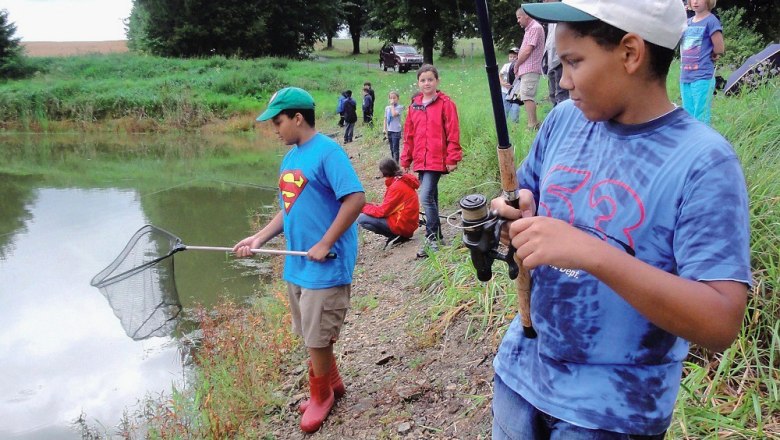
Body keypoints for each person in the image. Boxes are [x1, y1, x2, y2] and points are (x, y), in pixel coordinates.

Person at [489, 1, 750, 439]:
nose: (564, 80)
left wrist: (594, 254)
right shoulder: (564, 121)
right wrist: (512, 211)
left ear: (630, 52)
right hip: (520, 377)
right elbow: (524, 199)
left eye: (573, 62)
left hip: (612, 416)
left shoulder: (704, 162)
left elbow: (721, 320)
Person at [233, 87, 366, 433]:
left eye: (277, 122)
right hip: (298, 264)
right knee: (310, 332)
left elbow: (355, 199)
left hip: (326, 263)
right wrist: (259, 237)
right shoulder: (290, 159)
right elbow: (286, 209)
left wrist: (325, 242)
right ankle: (332, 383)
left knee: (317, 336)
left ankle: (321, 396)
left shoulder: (328, 153)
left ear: (297, 118)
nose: (275, 129)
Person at [400, 64, 462, 258]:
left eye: (430, 79)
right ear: (418, 83)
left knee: (425, 196)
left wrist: (453, 157)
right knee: (432, 196)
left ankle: (432, 237)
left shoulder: (445, 103)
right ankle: (439, 237)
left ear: (437, 81)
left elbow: (453, 132)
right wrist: (405, 159)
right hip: (420, 159)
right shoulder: (414, 106)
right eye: (423, 80)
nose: (426, 83)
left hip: (437, 159)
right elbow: (409, 134)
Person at [357, 158, 420, 249]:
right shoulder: (401, 180)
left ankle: (397, 235)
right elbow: (390, 207)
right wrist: (369, 206)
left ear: (384, 172)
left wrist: (362, 207)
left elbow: (383, 211)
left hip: (403, 226)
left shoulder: (396, 186)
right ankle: (397, 235)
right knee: (369, 211)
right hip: (408, 222)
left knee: (361, 218)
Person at [680, 0, 724, 125]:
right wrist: (680, 17)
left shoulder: (711, 20)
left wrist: (714, 52)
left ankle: (704, 144)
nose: (695, 2)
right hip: (685, 76)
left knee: (701, 117)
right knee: (687, 116)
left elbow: (720, 48)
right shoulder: (687, 22)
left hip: (702, 76)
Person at [510, 6, 546, 129]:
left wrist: (517, 64)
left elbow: (527, 51)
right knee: (525, 96)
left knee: (527, 96)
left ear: (527, 16)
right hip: (527, 70)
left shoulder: (535, 28)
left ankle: (533, 125)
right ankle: (533, 124)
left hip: (530, 69)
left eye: (519, 18)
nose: (518, 21)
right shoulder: (530, 29)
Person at [542, 0, 569, 107]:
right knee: (553, 95)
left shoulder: (562, 13)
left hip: (559, 61)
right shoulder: (550, 18)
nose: (543, 2)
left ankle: (563, 120)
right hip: (551, 62)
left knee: (561, 96)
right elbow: (550, 41)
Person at [499, 47, 522, 122]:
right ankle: (503, 125)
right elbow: (500, 75)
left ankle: (514, 126)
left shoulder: (521, 66)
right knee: (505, 109)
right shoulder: (506, 66)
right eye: (510, 56)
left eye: (515, 57)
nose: (512, 58)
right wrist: (502, 83)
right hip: (505, 91)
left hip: (515, 93)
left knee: (515, 109)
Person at [383, 91, 405, 162]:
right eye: (391, 98)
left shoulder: (400, 107)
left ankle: (396, 163)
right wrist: (384, 128)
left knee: (395, 148)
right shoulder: (387, 108)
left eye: (394, 98)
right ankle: (393, 163)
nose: (392, 99)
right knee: (391, 148)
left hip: (396, 131)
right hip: (390, 130)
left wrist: (392, 106)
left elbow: (394, 114)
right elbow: (385, 118)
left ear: (397, 98)